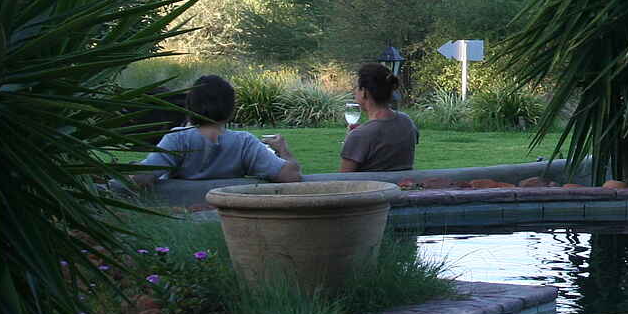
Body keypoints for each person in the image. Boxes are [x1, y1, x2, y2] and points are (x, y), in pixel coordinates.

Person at [132, 74, 302, 186]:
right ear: (230, 108)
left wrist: (134, 167)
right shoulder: (244, 142)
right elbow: (291, 176)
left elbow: (141, 178)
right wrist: (283, 150)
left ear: (190, 106)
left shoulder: (177, 138)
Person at [339, 61, 418, 172]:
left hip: (370, 184)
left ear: (364, 92)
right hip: (404, 182)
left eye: (356, 87)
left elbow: (344, 179)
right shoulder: (407, 122)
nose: (354, 92)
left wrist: (354, 139)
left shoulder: (359, 136)